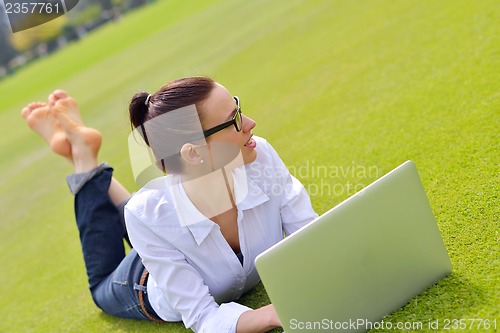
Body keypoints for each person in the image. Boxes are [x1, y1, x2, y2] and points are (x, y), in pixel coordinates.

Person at [22, 77, 318, 333]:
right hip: (144, 279)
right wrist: (269, 314)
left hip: (160, 223)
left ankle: (88, 160)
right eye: (235, 119)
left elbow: (311, 236)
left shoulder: (259, 155)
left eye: (239, 108)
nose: (251, 124)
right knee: (102, 286)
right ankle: (84, 160)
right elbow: (202, 316)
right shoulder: (147, 215)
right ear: (193, 153)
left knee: (150, 212)